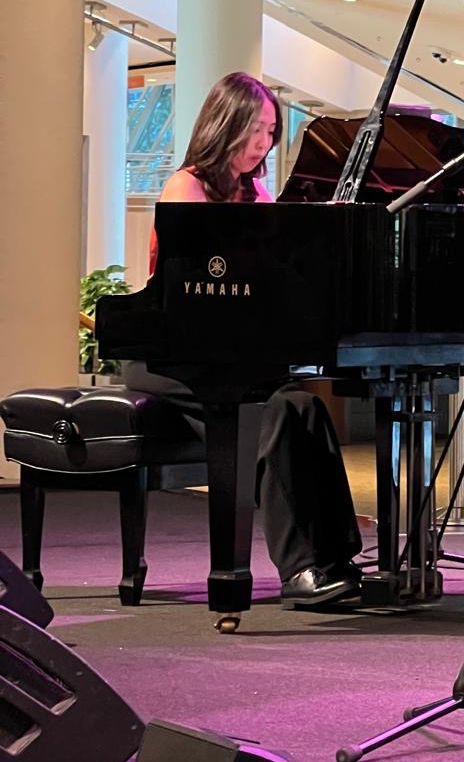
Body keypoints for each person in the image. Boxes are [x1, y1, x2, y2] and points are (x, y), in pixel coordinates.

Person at [122, 72, 363, 608]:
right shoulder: (186, 188)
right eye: (257, 128)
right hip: (169, 355)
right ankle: (298, 569)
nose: (264, 142)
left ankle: (337, 556)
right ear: (225, 124)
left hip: (227, 352)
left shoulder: (255, 193)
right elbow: (190, 293)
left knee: (305, 408)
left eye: (271, 131)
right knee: (272, 413)